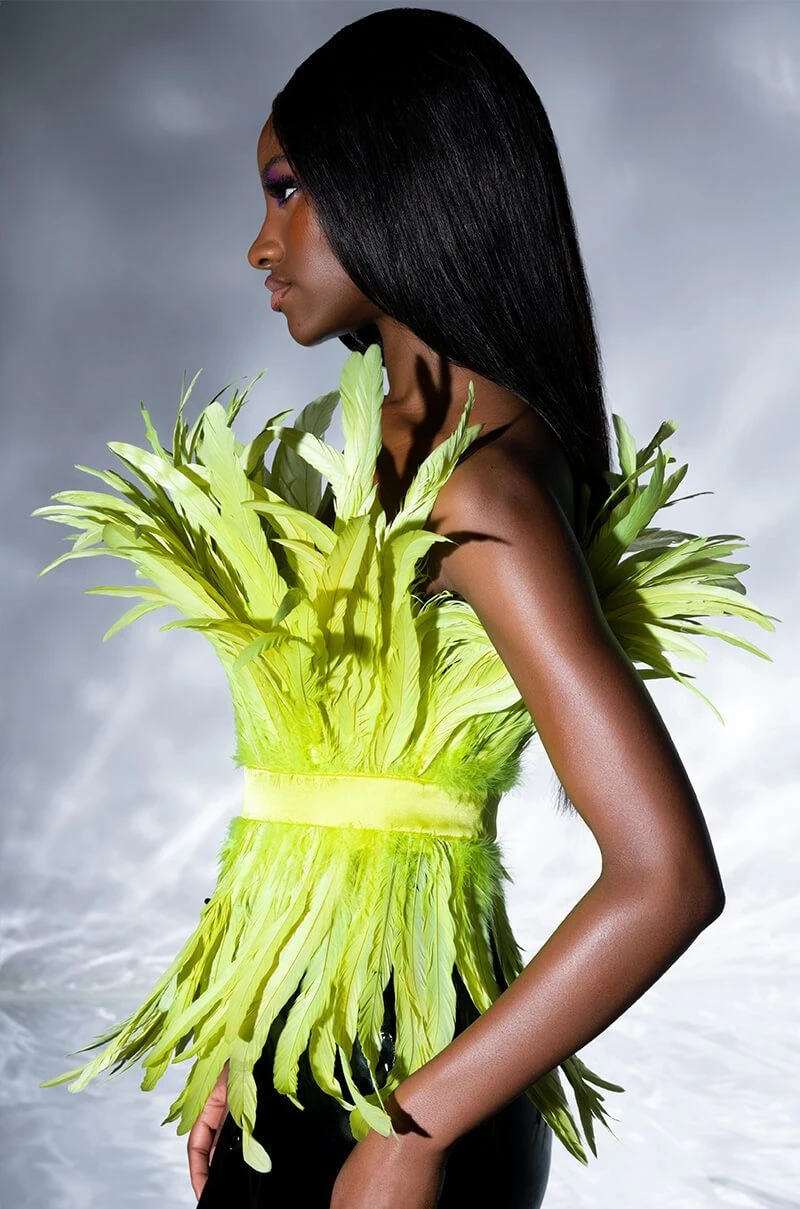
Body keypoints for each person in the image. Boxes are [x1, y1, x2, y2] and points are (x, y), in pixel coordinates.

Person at [34, 8, 775, 1209]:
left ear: (396, 184)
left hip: (413, 1088)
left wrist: (411, 1133)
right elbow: (319, 795)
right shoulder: (384, 462)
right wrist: (250, 1018)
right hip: (291, 1064)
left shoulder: (483, 492)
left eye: (286, 189)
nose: (259, 244)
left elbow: (665, 878)